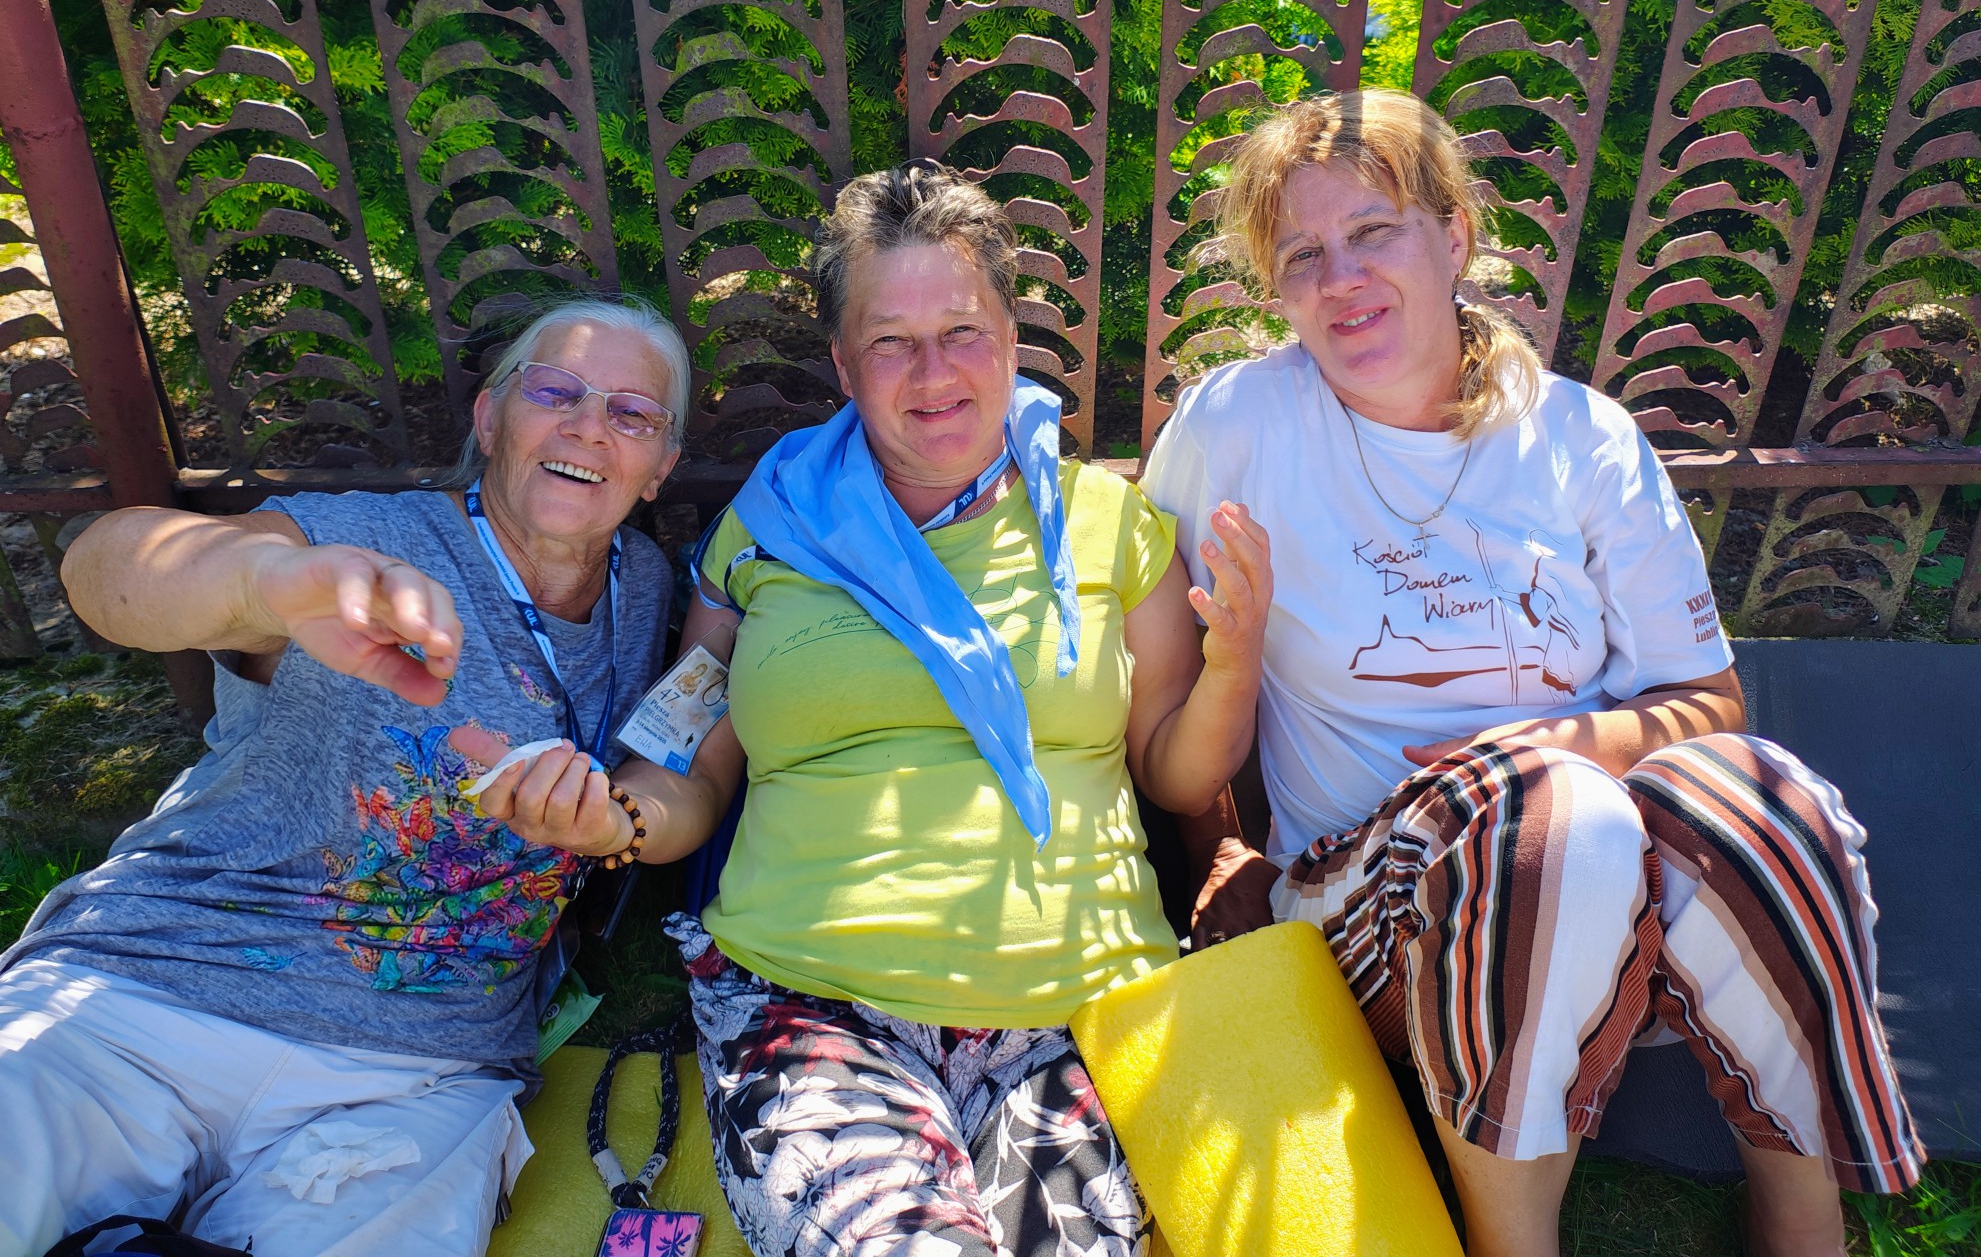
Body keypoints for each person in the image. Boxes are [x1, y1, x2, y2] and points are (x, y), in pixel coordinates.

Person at [1141, 91, 1923, 1257]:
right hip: (1378, 914)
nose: (1340, 277)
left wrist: (1555, 747)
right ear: (1278, 290)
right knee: (1554, 821)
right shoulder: (1239, 426)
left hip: (1602, 880)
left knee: (1763, 800)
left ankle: (1798, 1220)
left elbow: (1707, 705)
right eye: (1300, 255)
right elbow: (1162, 696)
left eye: (1372, 232)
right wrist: (1215, 840)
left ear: (1453, 236)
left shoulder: (1578, 438)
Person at [0, 298, 706, 1257]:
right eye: (555, 392)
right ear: (490, 417)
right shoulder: (365, 544)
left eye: (632, 414)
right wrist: (263, 584)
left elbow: (676, 777)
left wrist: (613, 819)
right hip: (147, 994)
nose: (589, 426)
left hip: (414, 1076)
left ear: (661, 465)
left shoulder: (647, 589)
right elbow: (109, 569)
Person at [657, 161, 1272, 1257]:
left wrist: (1234, 662)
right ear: (843, 363)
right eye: (891, 341)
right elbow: (684, 747)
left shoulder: (1108, 525)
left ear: (1010, 338)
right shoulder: (767, 526)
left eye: (963, 332)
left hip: (1083, 1015)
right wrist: (623, 816)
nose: (933, 372)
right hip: (812, 1001)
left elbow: (1175, 772)